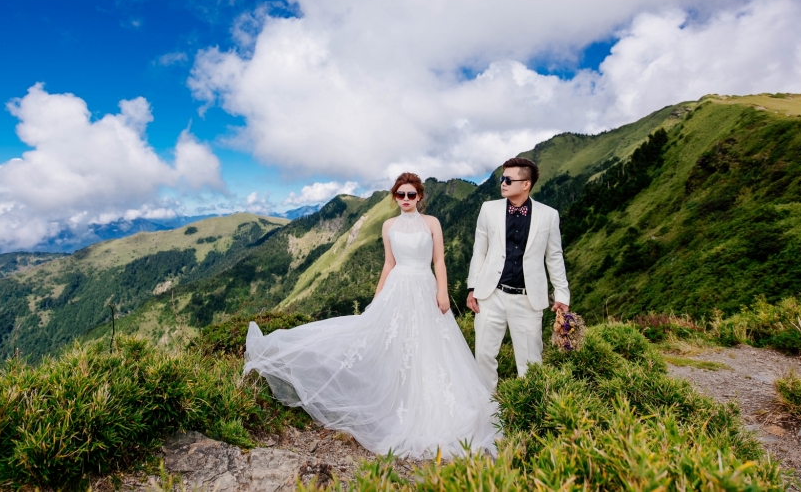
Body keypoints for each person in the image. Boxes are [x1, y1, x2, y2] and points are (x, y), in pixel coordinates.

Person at [244, 172, 498, 459]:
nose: (405, 199)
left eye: (411, 194)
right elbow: (389, 263)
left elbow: (439, 260)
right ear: (394, 197)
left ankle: (428, 403)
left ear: (419, 196)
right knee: (393, 345)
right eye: (400, 194)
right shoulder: (388, 225)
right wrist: (378, 299)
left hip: (424, 287)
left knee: (430, 346)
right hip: (397, 288)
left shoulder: (432, 223)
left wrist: (442, 291)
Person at [466, 157, 570, 391]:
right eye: (502, 178)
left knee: (530, 362)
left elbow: (554, 257)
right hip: (491, 295)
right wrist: (472, 287)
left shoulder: (549, 215)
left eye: (508, 180)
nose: (503, 183)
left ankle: (527, 407)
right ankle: (488, 406)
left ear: (526, 184)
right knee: (483, 355)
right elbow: (479, 251)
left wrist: (562, 294)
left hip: (527, 298)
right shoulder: (488, 209)